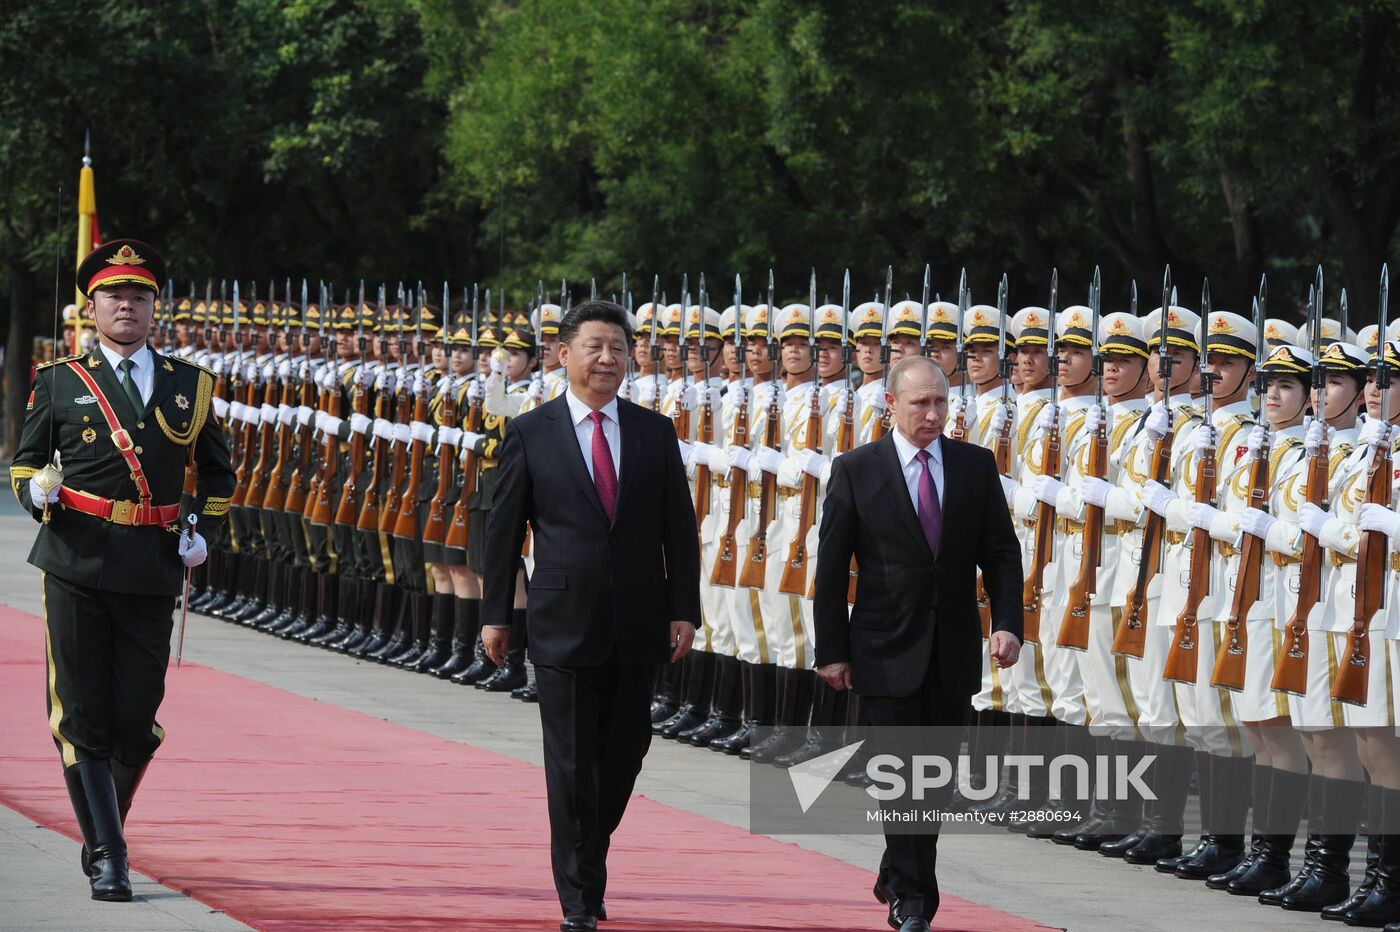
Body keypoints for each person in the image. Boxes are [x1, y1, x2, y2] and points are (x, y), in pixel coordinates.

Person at [10, 239, 233, 901]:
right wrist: (35, 494)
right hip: (74, 560)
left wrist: (205, 529)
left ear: (154, 308)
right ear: (92, 307)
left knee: (137, 719)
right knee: (81, 716)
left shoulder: (189, 385)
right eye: (114, 296)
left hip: (151, 566)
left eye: (138, 296)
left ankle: (101, 825)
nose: (126, 307)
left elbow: (218, 472)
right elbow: (25, 463)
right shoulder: (59, 382)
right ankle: (110, 853)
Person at [480, 299, 701, 932]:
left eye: (618, 348)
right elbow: (503, 533)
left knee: (626, 754)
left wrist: (683, 607)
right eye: (594, 347)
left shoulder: (654, 432)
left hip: (639, 621)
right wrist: (497, 614)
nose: (607, 359)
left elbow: (677, 529)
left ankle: (587, 854)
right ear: (564, 355)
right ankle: (578, 898)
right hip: (562, 623)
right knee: (572, 761)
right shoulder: (531, 430)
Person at [813, 353, 1023, 932]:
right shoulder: (857, 468)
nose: (932, 415)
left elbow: (1001, 554)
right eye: (919, 403)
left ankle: (897, 868)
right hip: (882, 646)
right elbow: (831, 567)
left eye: (940, 402)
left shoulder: (974, 466)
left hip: (952, 647)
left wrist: (1008, 622)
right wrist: (830, 649)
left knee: (933, 775)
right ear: (890, 404)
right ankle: (914, 898)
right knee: (903, 772)